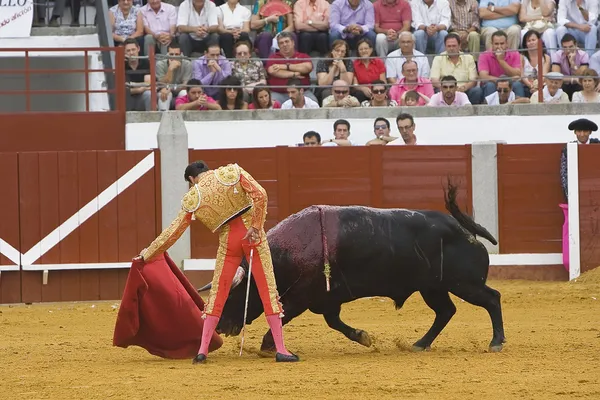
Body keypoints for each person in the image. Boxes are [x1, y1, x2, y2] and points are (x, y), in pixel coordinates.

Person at [135, 161, 299, 364]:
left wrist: (148, 254)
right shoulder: (233, 172)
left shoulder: (193, 196)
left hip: (228, 241)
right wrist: (256, 226)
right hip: (252, 236)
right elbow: (261, 195)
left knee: (218, 294)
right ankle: (281, 349)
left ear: (191, 179)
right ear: (206, 170)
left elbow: (173, 231)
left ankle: (202, 351)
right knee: (268, 289)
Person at [560, 118, 599, 202]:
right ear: (575, 132)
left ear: (590, 132)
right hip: (576, 190)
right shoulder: (568, 149)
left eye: (585, 131)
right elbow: (564, 174)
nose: (582, 134)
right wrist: (569, 195)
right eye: (579, 131)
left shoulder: (597, 146)